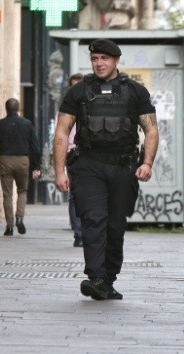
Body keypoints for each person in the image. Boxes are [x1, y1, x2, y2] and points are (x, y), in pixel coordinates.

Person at [53, 39, 159, 301]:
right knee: (94, 220)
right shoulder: (78, 92)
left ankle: (108, 278)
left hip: (123, 166)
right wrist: (58, 171)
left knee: (115, 225)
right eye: (94, 59)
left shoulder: (135, 91)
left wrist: (147, 163)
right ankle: (96, 277)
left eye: (104, 59)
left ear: (116, 61)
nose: (99, 63)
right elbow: (62, 130)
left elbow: (151, 129)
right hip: (88, 165)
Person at [0, 98, 42, 236]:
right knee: (22, 190)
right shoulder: (27, 124)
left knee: (7, 194)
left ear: (6, 108)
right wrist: (36, 166)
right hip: (23, 160)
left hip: (5, 160)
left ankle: (9, 227)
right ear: (18, 108)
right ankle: (19, 217)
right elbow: (36, 148)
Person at [63, 73, 85, 247]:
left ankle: (87, 231)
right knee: (74, 196)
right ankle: (78, 234)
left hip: (89, 155)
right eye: (73, 86)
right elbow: (60, 135)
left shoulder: (92, 105)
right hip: (72, 155)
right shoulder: (66, 108)